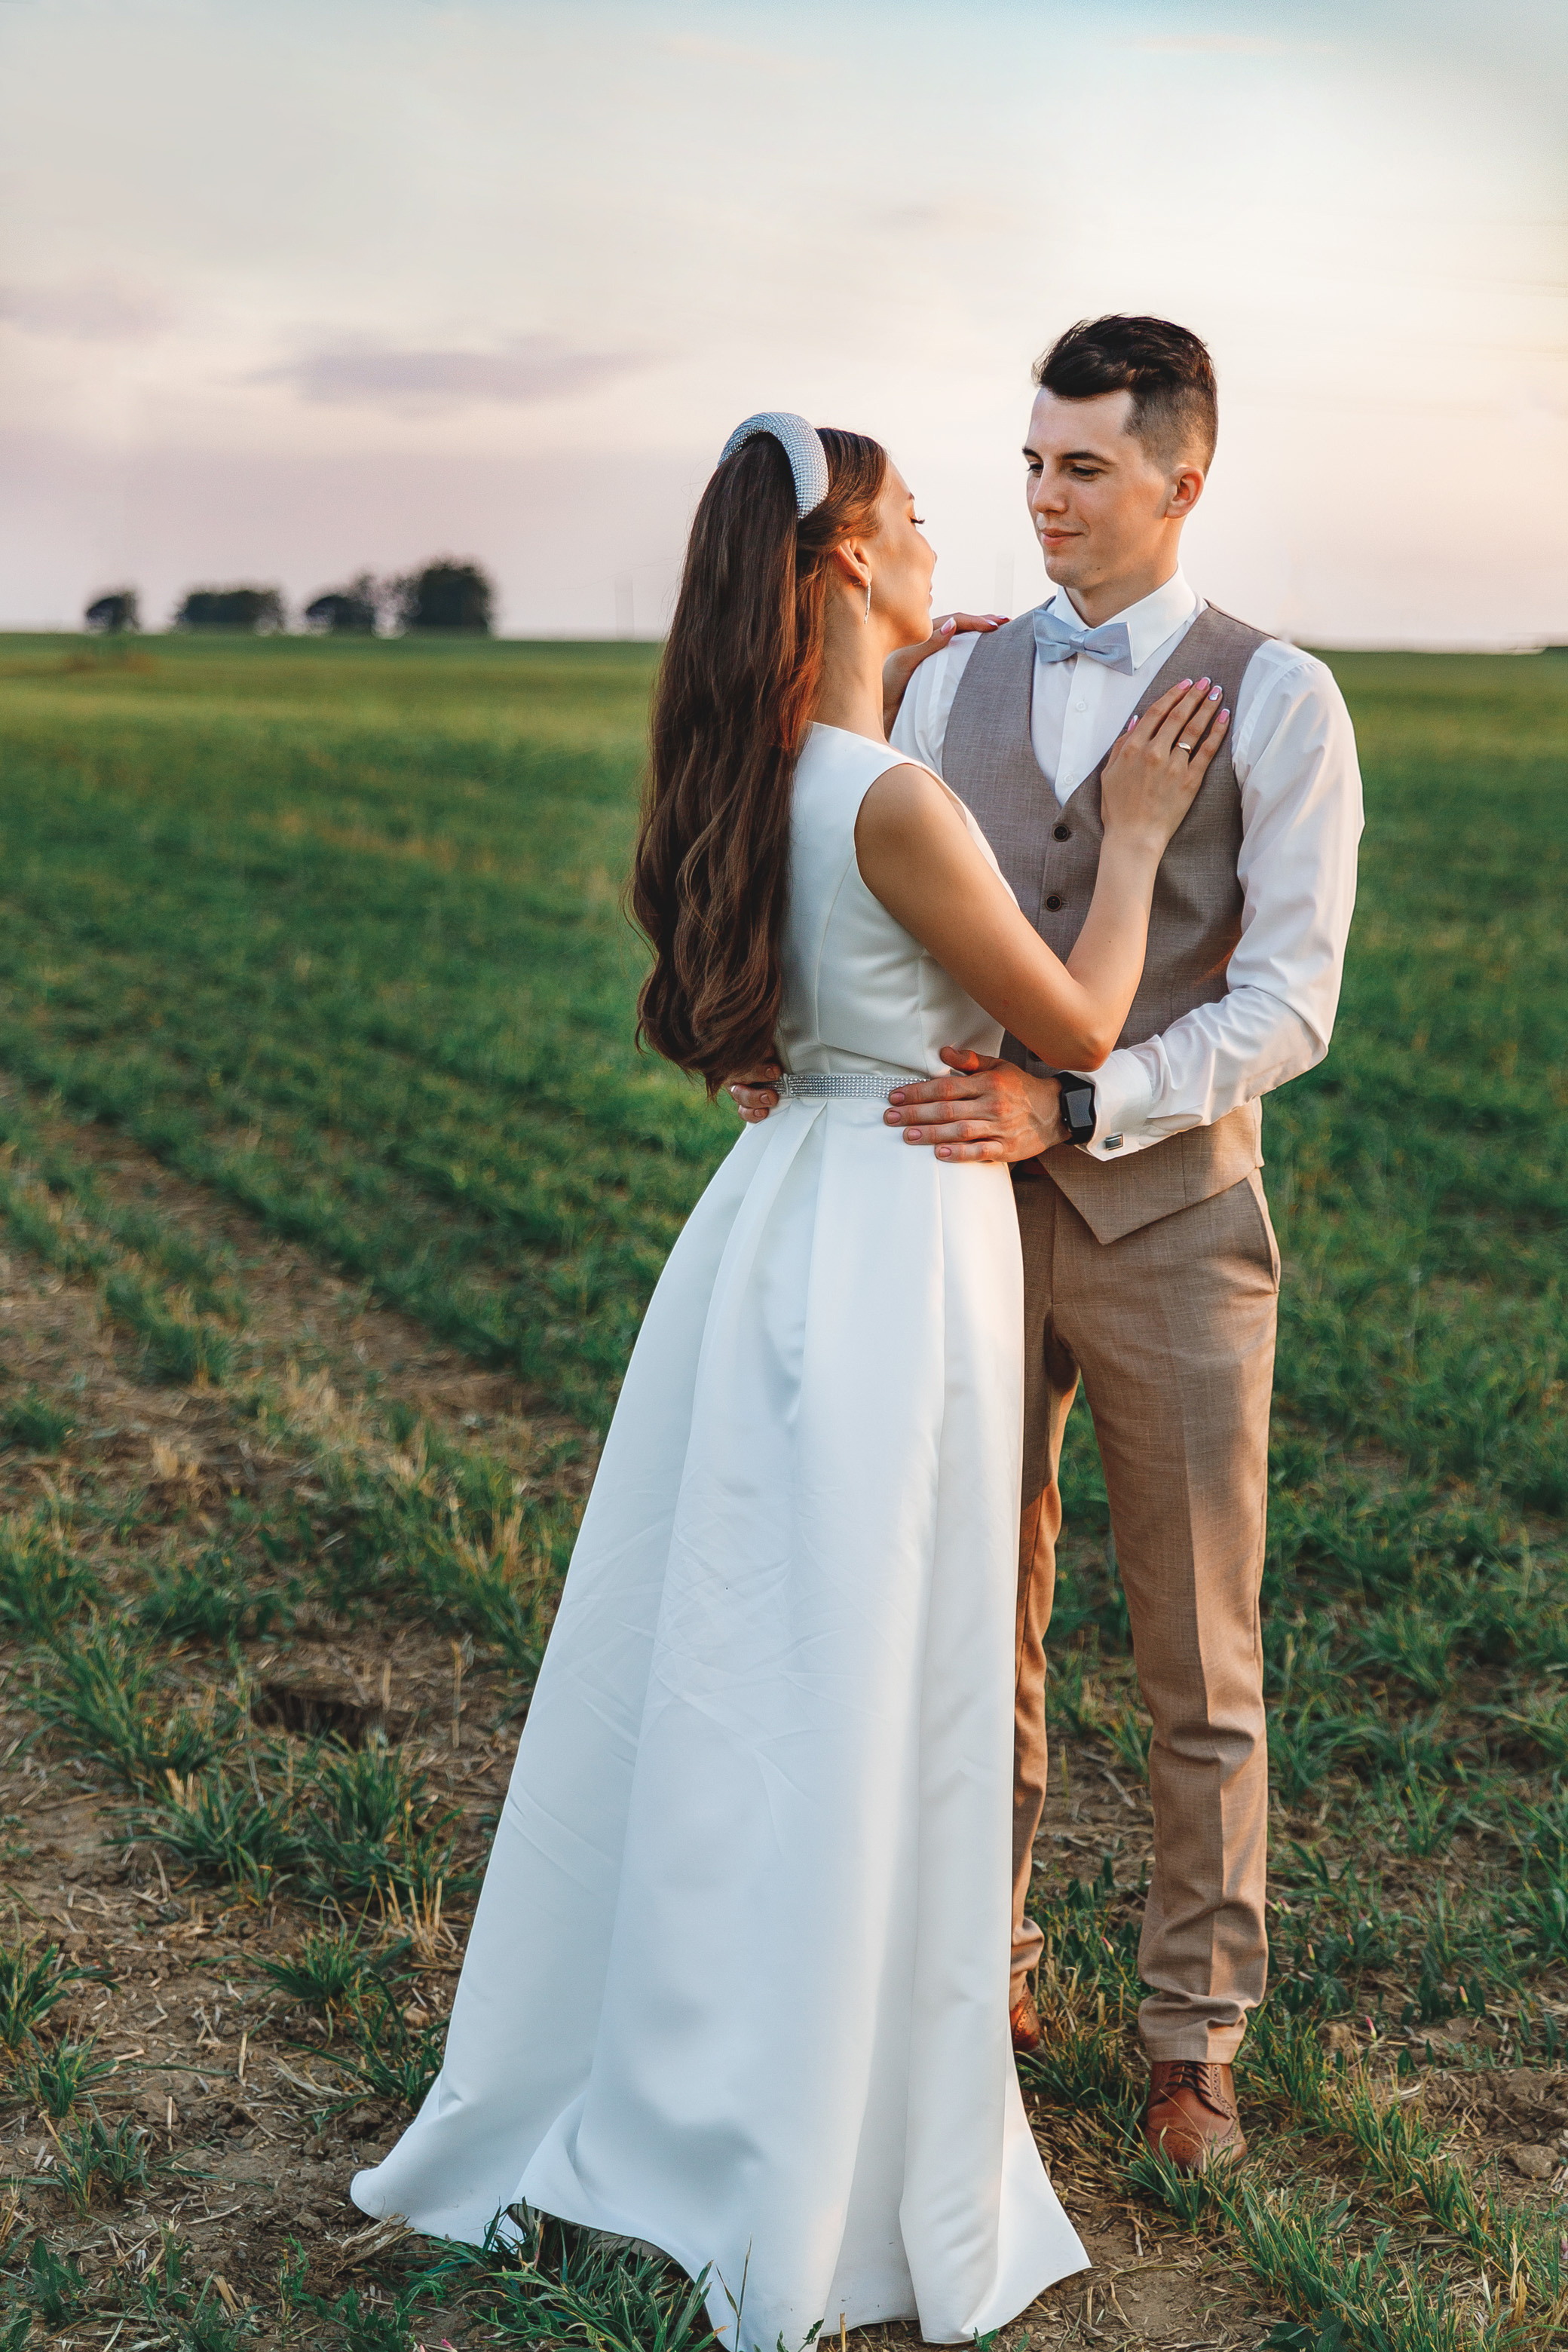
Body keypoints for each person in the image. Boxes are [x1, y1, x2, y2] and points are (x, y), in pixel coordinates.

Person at [353, 409, 1225, 2344]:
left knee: (733, 1660)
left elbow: (760, 1001)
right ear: (841, 562)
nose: (947, 540)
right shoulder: (892, 804)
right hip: (901, 1238)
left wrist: (915, 669)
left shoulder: (759, 775)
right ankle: (814, 2123)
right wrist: (1140, 838)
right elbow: (1074, 1019)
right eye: (913, 521)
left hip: (773, 1219)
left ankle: (677, 2067)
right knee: (863, 1671)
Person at [735, 315, 1364, 2175]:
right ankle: (978, 1965)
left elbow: (1289, 1002)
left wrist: (1086, 1105)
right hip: (955, 1210)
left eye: (1081, 466)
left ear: (1183, 476)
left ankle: (1190, 2038)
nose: (1040, 499)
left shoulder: (1283, 698)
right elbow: (873, 903)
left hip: (1174, 1218)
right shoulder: (946, 686)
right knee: (963, 1618)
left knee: (1197, 1651)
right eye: (1024, 463)